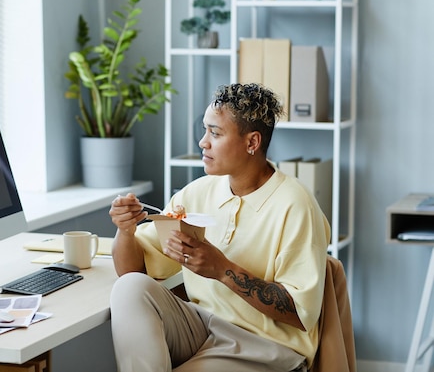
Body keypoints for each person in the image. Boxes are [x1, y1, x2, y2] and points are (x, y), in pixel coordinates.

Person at [108, 83, 331, 372]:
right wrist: (125, 230)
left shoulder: (296, 205)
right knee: (130, 288)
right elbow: (133, 270)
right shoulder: (196, 194)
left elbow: (300, 314)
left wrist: (222, 269)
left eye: (215, 133)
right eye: (205, 130)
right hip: (202, 325)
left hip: (266, 347)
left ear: (252, 143)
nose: (203, 142)